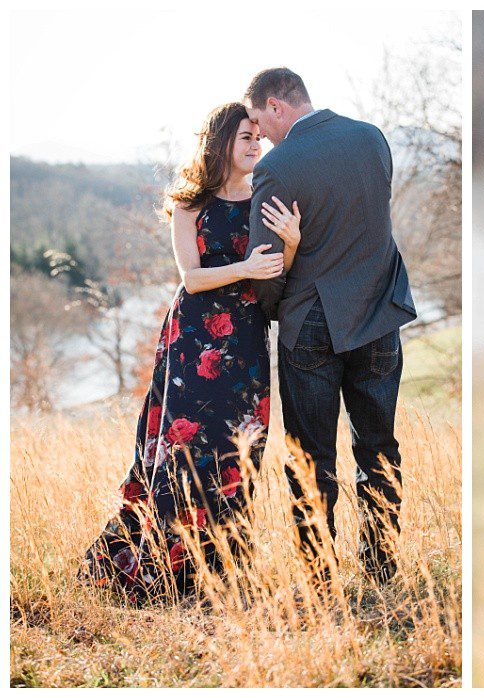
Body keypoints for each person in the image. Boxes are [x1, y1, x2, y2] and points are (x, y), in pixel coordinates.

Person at [80, 102, 300, 602]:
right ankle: (163, 570)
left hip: (244, 340)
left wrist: (291, 243)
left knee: (240, 448)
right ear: (221, 141)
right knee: (185, 450)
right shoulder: (189, 203)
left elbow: (275, 275)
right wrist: (245, 268)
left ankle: (224, 573)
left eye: (258, 137)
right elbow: (193, 277)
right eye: (245, 136)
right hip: (193, 339)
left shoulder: (263, 197)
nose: (255, 145)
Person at [242, 67, 418, 584]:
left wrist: (272, 309)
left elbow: (266, 264)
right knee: (379, 446)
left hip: (311, 324)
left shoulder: (277, 168)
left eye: (260, 121)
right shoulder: (373, 140)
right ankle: (382, 567)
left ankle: (318, 576)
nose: (261, 135)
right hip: (378, 316)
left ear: (276, 105)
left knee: (311, 456)